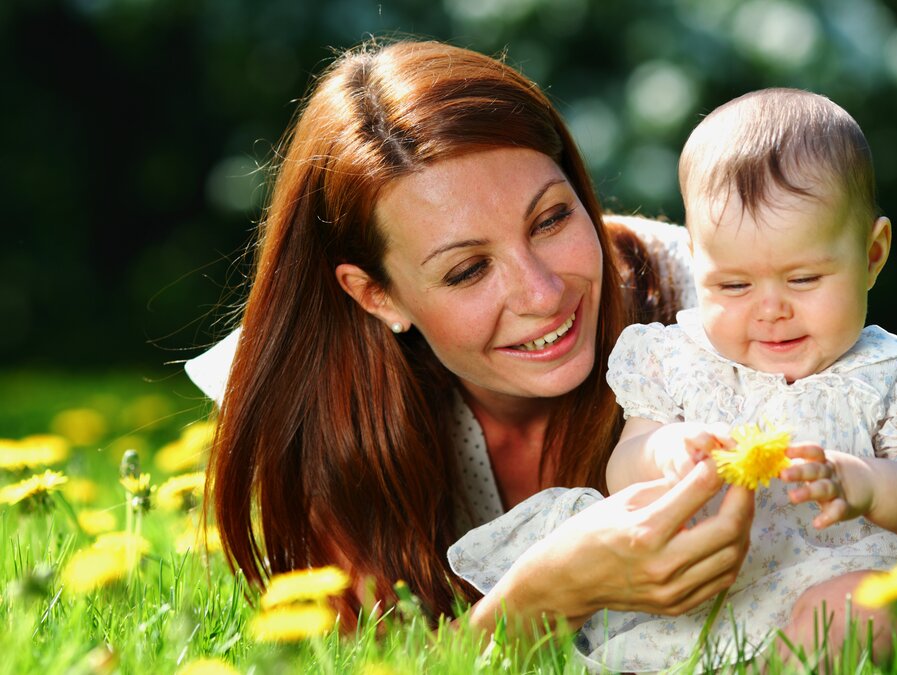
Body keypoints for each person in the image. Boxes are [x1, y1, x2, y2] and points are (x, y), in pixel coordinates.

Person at [184, 38, 757, 633]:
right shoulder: (317, 395)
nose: (542, 293)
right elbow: (377, 664)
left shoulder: (723, 309)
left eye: (552, 219)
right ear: (375, 295)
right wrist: (542, 599)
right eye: (467, 270)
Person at [450, 88, 897, 670]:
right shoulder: (677, 360)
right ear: (697, 260)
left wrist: (869, 484)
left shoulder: (888, 373)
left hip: (844, 583)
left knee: (867, 611)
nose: (770, 309)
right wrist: (666, 451)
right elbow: (624, 467)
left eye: (804, 279)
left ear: (872, 254)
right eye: (734, 286)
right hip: (712, 601)